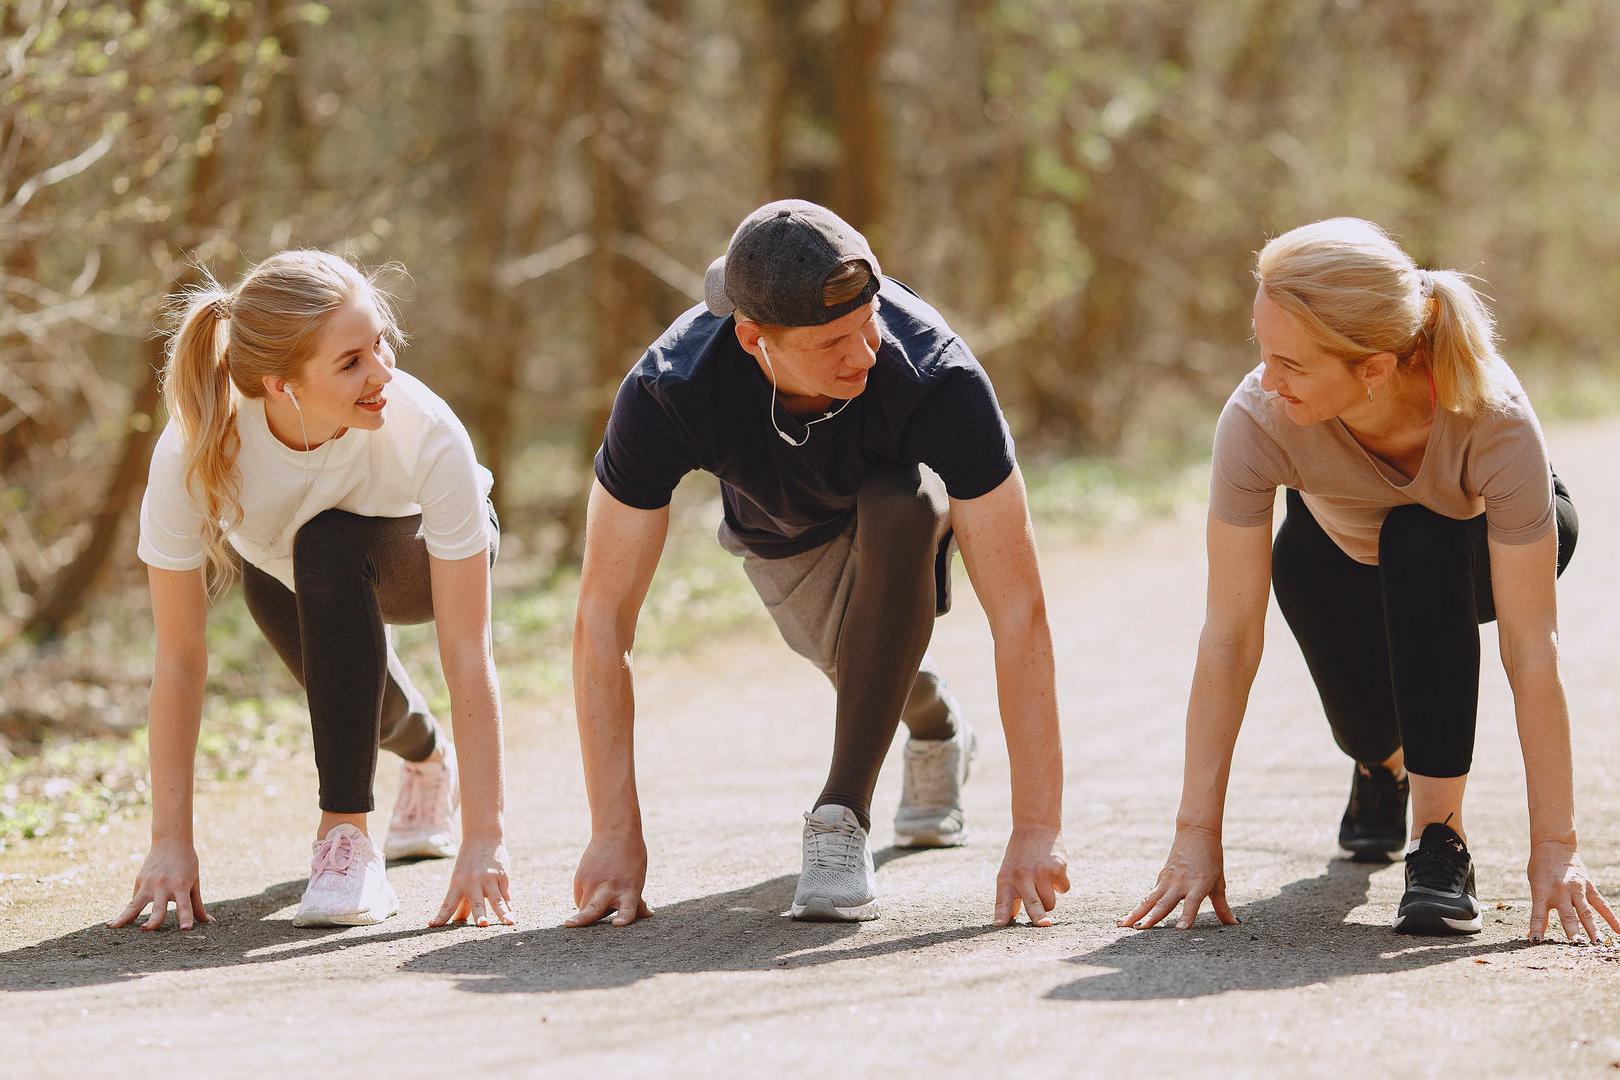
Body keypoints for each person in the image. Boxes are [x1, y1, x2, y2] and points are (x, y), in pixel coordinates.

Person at [567, 200, 1069, 926]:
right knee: (875, 675)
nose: (863, 353)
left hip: (898, 512)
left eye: (869, 323)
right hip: (784, 539)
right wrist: (613, 836)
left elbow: (1021, 610)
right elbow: (601, 618)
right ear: (752, 337)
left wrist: (1035, 830)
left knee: (901, 501)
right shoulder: (670, 389)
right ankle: (937, 729)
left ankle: (839, 822)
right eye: (834, 340)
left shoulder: (937, 375)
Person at [1123, 218, 1617, 941]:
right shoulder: (1259, 419)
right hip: (1333, 552)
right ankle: (1382, 769)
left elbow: (1531, 648)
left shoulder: (1491, 416)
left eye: (1290, 361)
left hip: (1471, 546)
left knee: (1421, 537)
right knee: (1366, 726)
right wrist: (1195, 833)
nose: (1266, 377)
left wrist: (1557, 850)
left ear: (1374, 370)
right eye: (1262, 350)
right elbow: (1228, 637)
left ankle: (1438, 842)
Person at [110, 250, 515, 931]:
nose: (383, 371)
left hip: (418, 555)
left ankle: (345, 844)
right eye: (351, 361)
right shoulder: (195, 450)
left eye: (379, 344)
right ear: (280, 385)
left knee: (328, 544)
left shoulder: (425, 429)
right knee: (351, 694)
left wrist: (485, 840)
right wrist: (169, 843)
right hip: (290, 572)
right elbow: (177, 662)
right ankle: (426, 759)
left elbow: (469, 654)